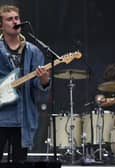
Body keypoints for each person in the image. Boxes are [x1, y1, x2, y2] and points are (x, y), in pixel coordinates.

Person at [0, 5, 50, 162]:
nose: (15, 21)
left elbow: (39, 86)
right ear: (1, 25)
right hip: (1, 117)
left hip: (23, 118)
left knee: (20, 161)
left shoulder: (33, 51)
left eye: (17, 18)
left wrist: (44, 79)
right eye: (9, 19)